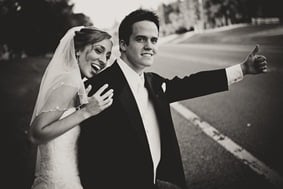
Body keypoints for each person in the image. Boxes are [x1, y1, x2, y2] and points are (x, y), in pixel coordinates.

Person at [78, 9, 268, 189]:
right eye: (141, 39)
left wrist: (242, 70)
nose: (149, 46)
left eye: (154, 40)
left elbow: (194, 84)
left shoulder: (153, 82)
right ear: (123, 44)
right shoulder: (99, 86)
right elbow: (90, 157)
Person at [28, 26, 114, 189]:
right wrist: (85, 112)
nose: (103, 60)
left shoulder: (75, 83)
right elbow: (34, 135)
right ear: (78, 50)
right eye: (98, 50)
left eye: (108, 55)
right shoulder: (69, 82)